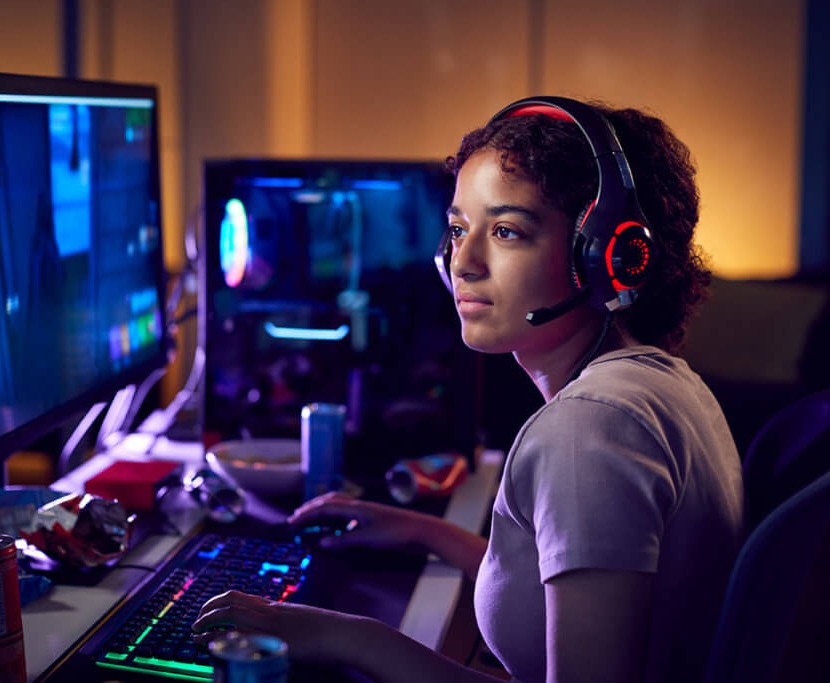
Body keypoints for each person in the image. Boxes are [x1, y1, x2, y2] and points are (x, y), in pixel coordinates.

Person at [192, 97, 746, 683]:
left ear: (608, 257)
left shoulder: (589, 428)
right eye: (458, 229)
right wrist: (420, 530)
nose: (463, 262)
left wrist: (343, 635)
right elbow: (568, 581)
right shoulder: (662, 384)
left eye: (507, 231)